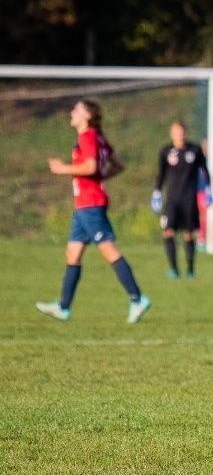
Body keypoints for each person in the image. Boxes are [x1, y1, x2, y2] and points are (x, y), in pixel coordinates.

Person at [36, 100, 151, 323]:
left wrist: (63, 169)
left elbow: (90, 167)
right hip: (83, 206)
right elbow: (119, 165)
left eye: (76, 110)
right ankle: (63, 307)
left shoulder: (87, 137)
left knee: (108, 250)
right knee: (72, 253)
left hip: (90, 204)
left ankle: (137, 299)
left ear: (87, 115)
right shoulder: (98, 137)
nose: (72, 113)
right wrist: (100, 177)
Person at [151, 121, 210, 278]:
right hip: (172, 199)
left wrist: (207, 189)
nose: (179, 135)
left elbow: (204, 170)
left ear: (186, 133)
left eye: (182, 132)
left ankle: (190, 268)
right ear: (171, 134)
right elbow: (161, 173)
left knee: (188, 234)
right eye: (176, 132)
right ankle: (174, 269)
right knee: (168, 232)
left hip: (189, 199)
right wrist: (157, 192)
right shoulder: (166, 151)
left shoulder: (195, 150)